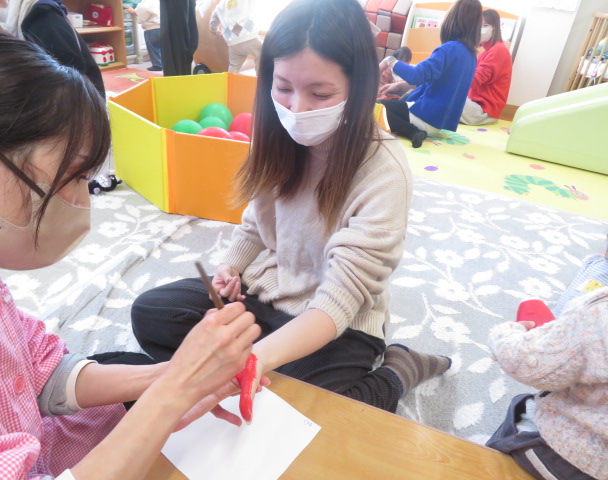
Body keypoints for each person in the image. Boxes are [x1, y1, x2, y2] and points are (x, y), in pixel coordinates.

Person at [0, 24, 263, 479]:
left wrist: (175, 378)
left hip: (40, 439)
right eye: (71, 177)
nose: (82, 204)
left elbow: (39, 369)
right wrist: (174, 389)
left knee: (131, 367)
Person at [131, 0, 451, 418]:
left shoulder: (383, 170)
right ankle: (257, 362)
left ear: (357, 87)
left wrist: (256, 358)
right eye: (283, 87)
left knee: (315, 415)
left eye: (320, 94)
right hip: (267, 293)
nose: (296, 109)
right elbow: (255, 225)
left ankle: (399, 369)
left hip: (336, 319)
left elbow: (340, 298)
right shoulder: (278, 135)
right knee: (153, 313)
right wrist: (230, 268)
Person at [486, 282, 608, 479]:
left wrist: (505, 335)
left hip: (563, 456)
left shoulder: (598, 310)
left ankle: (483, 461)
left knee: (520, 405)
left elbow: (528, 365)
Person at [377, 0, 481, 148]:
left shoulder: (448, 49)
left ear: (451, 21)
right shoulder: (471, 56)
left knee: (371, 109)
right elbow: (438, 81)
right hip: (438, 121)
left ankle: (412, 131)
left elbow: (415, 75)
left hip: (425, 116)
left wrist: (390, 60)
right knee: (387, 105)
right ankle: (413, 130)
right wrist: (403, 85)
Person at [5, 0, 105, 97]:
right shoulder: (28, 17)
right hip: (69, 94)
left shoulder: (42, 18)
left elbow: (72, 76)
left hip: (81, 99)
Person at [460, 9, 513, 125]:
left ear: (495, 28)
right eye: (478, 26)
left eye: (485, 26)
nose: (480, 30)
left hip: (482, 111)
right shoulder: (486, 53)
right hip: (476, 106)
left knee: (441, 95)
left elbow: (474, 80)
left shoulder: (498, 50)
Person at [209, 0, 262, 74]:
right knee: (261, 54)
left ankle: (230, 80)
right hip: (249, 36)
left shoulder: (220, 6)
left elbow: (213, 23)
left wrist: (214, 31)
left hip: (233, 43)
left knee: (234, 66)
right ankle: (260, 77)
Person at [125, 0, 162, 71]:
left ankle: (157, 65)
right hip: (161, 26)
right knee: (161, 47)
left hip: (152, 27)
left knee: (152, 47)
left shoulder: (148, 1)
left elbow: (143, 9)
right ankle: (163, 63)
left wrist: (134, 11)